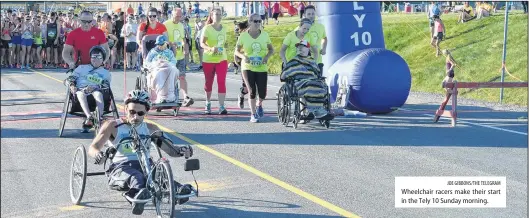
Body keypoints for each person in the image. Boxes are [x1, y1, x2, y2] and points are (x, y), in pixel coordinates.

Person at [87, 89, 194, 215]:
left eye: (140, 113)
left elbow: (170, 149)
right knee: (138, 178)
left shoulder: (151, 129)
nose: (135, 117)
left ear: (146, 112)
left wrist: (183, 150)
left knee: (159, 176)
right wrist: (98, 154)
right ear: (126, 109)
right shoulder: (112, 126)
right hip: (121, 166)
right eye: (132, 112)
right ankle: (137, 197)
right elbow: (93, 148)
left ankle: (178, 191)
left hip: (146, 165)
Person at [235, 13, 274, 123]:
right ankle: (253, 115)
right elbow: (236, 51)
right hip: (247, 67)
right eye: (255, 21)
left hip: (261, 67)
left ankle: (259, 104)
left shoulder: (265, 35)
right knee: (252, 91)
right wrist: (243, 56)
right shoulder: (243, 36)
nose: (257, 23)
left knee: (262, 94)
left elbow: (271, 50)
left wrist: (266, 57)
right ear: (250, 22)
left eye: (259, 21)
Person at [280, 40, 333, 121]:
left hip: (313, 81)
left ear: (308, 49)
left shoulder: (312, 61)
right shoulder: (294, 61)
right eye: (299, 47)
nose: (300, 48)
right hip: (299, 84)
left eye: (303, 47)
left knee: (321, 85)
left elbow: (317, 73)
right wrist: (286, 75)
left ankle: (316, 111)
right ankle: (317, 112)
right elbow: (284, 75)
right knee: (312, 85)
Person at [65, 46, 111, 129]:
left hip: (96, 89)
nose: (95, 59)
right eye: (93, 57)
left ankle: (99, 117)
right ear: (90, 58)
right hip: (80, 89)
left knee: (98, 94)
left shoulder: (105, 72)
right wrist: (71, 85)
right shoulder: (81, 68)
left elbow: (106, 85)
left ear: (102, 59)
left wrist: (95, 87)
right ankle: (89, 116)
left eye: (98, 57)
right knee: (80, 94)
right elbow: (69, 79)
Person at [200, 8, 228, 115]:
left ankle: (221, 106)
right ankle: (207, 102)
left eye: (220, 14)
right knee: (209, 82)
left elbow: (224, 42)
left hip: (222, 59)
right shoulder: (207, 28)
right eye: (216, 14)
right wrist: (211, 48)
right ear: (211, 16)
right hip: (209, 59)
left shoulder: (224, 28)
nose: (218, 16)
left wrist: (225, 46)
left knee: (221, 82)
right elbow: (202, 43)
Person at [164, 9, 195, 107]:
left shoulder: (181, 25)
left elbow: (183, 39)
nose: (179, 18)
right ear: (172, 15)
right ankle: (167, 97)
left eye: (180, 16)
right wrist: (171, 44)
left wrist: (185, 48)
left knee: (182, 76)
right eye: (177, 16)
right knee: (169, 78)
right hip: (169, 56)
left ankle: (186, 97)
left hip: (180, 55)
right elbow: (163, 40)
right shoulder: (165, 24)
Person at [145, 35, 179, 104]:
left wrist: (166, 63)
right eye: (158, 44)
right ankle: (159, 96)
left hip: (168, 69)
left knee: (173, 70)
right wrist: (156, 63)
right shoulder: (152, 52)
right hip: (156, 68)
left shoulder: (169, 53)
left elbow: (173, 62)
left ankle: (170, 97)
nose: (159, 46)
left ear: (166, 43)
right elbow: (146, 63)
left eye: (161, 44)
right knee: (158, 73)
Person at [300, 5, 327, 74]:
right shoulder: (301, 28)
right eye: (309, 14)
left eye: (313, 13)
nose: (311, 16)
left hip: (318, 62)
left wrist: (324, 48)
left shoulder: (321, 27)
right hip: (305, 63)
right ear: (304, 15)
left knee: (318, 83)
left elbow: (324, 38)